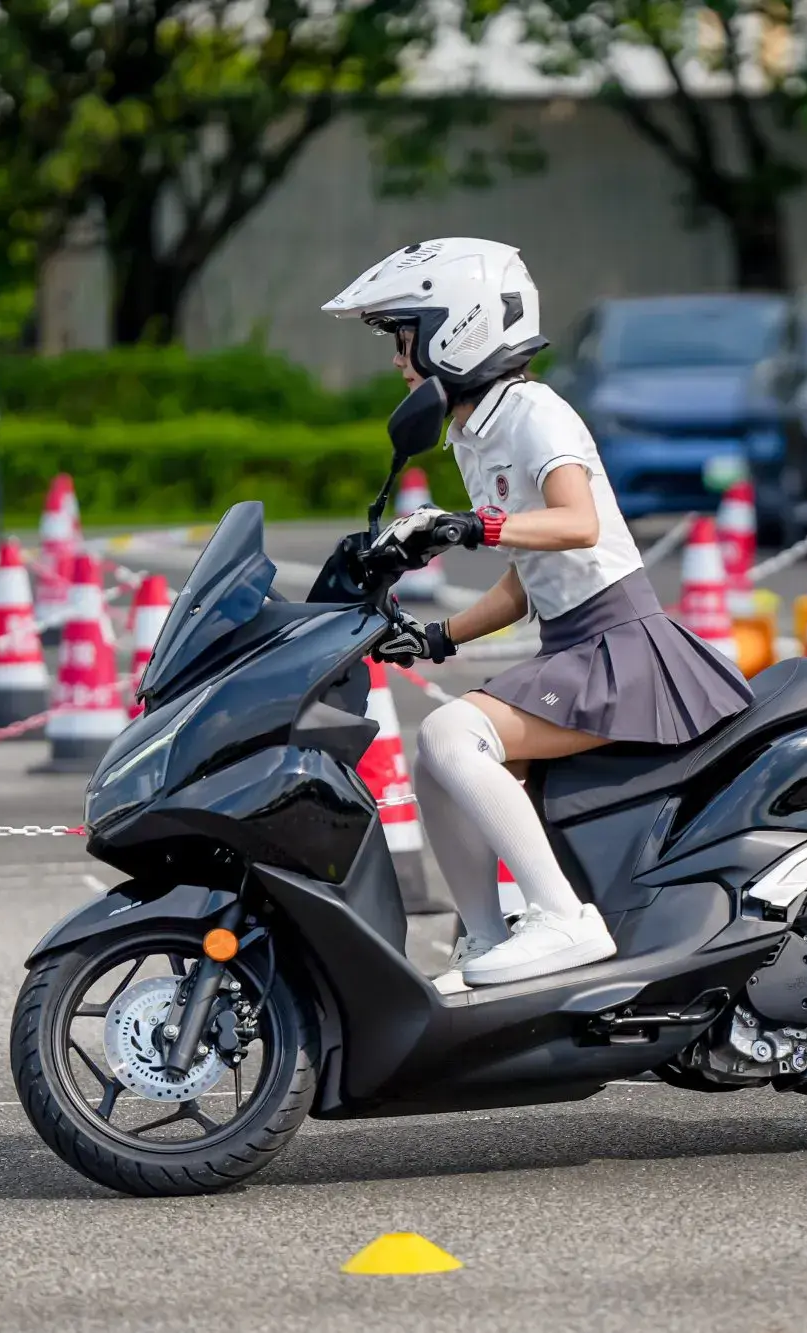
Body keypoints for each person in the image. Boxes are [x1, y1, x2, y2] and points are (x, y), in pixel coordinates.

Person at [322, 238, 753, 991]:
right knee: (436, 756)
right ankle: (487, 938)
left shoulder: (533, 411)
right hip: (576, 643)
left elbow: (577, 522)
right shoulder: (478, 430)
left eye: (403, 337)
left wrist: (470, 526)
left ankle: (563, 919)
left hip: (622, 646)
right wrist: (434, 637)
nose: (398, 359)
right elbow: (527, 583)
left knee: (455, 732)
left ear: (457, 330)